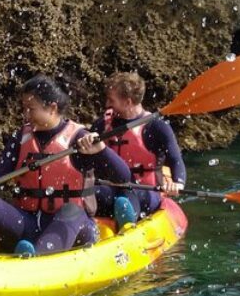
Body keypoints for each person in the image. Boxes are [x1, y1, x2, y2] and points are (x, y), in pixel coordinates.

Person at [0, 74, 133, 256]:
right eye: (24, 109)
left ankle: (36, 262)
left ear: (52, 108)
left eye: (31, 109)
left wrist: (101, 150)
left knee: (71, 210)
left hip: (73, 227)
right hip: (28, 223)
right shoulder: (20, 139)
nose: (25, 115)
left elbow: (123, 178)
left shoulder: (79, 139)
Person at [77, 71, 186, 223]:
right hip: (110, 188)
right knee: (83, 193)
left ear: (128, 102)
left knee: (126, 198)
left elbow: (175, 159)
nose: (107, 104)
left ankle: (126, 222)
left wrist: (178, 183)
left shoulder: (156, 127)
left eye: (111, 100)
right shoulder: (102, 125)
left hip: (147, 191)